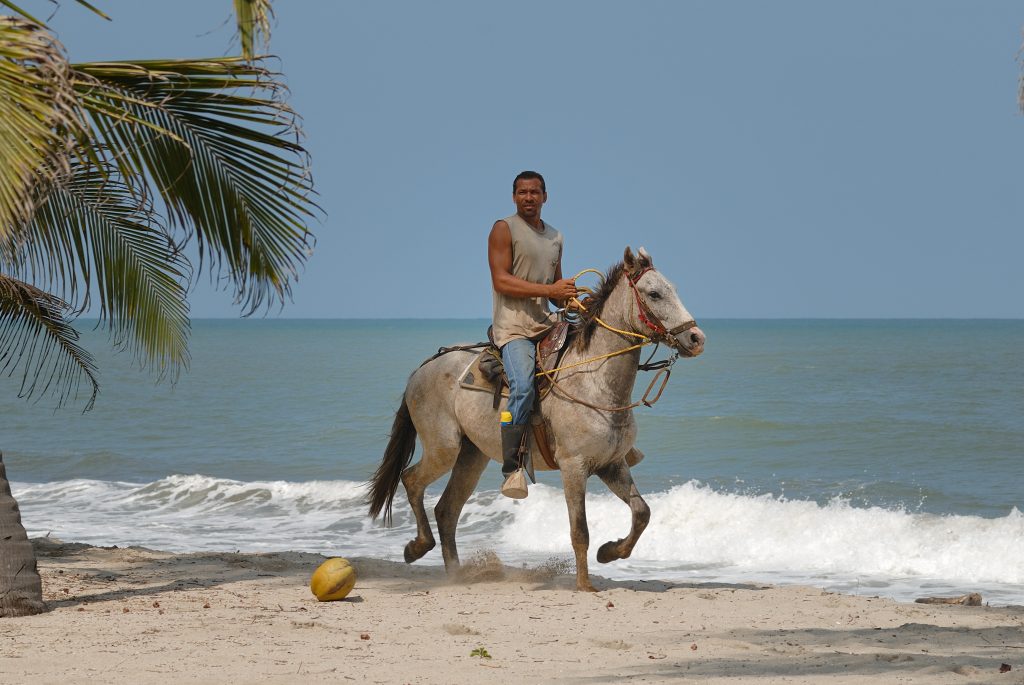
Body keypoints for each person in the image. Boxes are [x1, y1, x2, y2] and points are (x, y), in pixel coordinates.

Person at [488, 171, 577, 495]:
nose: (529, 197)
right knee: (523, 387)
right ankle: (512, 470)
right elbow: (502, 281)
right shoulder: (504, 228)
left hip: (547, 324)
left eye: (535, 192)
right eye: (523, 192)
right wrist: (550, 288)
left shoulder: (555, 237)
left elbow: (554, 292)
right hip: (513, 327)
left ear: (545, 197)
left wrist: (570, 295)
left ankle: (614, 446)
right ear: (514, 197)